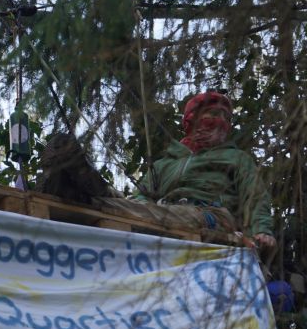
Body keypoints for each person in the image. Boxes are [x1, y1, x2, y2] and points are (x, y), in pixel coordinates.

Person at [37, 91, 276, 249]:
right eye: (213, 114)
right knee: (136, 206)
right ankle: (84, 181)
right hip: (164, 209)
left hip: (210, 215)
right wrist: (133, 200)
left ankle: (89, 192)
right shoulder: (166, 163)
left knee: (148, 211)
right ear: (191, 120)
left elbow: (254, 197)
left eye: (225, 117)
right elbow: (141, 197)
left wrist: (262, 231)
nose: (221, 121)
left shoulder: (236, 158)